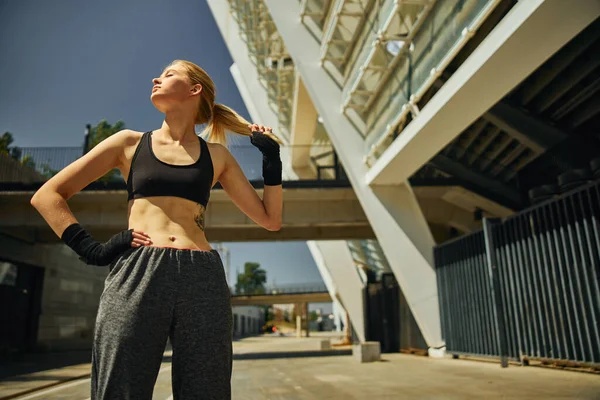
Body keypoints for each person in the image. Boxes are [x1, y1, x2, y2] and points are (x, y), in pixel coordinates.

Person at [30, 59, 283, 400]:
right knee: (118, 386)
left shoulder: (217, 155)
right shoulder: (128, 143)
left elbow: (270, 219)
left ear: (194, 90)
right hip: (139, 269)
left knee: (206, 389)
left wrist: (272, 164)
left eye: (168, 74)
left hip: (202, 275)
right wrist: (91, 249)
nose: (156, 78)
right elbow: (47, 196)